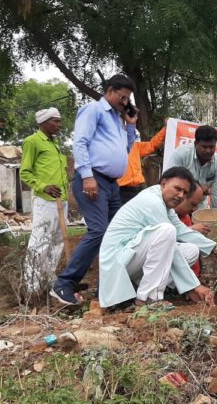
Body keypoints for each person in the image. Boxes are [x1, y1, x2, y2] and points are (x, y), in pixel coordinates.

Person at [51, 74, 138, 305]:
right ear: (109, 90)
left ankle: (107, 289)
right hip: (94, 179)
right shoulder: (94, 110)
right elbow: (80, 142)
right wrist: (87, 175)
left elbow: (127, 149)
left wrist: (130, 125)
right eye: (122, 97)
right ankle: (64, 283)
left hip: (112, 184)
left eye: (128, 99)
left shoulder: (118, 119)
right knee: (99, 230)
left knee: (119, 233)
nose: (125, 103)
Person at [98, 166, 215, 309]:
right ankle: (148, 298)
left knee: (191, 251)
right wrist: (194, 285)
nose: (180, 195)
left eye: (185, 192)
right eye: (177, 189)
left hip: (131, 258)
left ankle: (146, 289)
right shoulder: (152, 201)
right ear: (164, 183)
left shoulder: (165, 204)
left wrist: (213, 247)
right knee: (167, 231)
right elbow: (170, 241)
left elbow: (182, 231)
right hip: (118, 263)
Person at [19, 108, 69, 293]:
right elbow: (25, 172)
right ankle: (32, 286)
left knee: (57, 242)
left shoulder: (55, 144)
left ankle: (48, 279)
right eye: (56, 121)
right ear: (44, 122)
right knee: (41, 241)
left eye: (59, 121)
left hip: (61, 200)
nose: (59, 125)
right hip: (45, 200)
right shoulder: (32, 141)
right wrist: (43, 186)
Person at [165, 125, 217, 210]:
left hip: (199, 205)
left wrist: (215, 214)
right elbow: (170, 180)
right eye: (204, 147)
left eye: (211, 147)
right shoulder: (181, 154)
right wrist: (198, 187)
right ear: (196, 143)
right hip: (179, 201)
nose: (208, 151)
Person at [116, 125, 167, 203]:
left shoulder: (136, 146)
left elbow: (152, 145)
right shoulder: (113, 148)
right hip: (122, 189)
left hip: (140, 186)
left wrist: (165, 129)